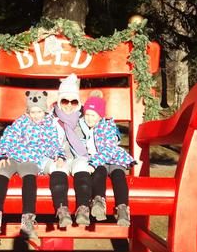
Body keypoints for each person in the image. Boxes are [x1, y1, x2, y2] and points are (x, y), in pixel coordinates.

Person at [0, 90, 66, 245]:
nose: (36, 115)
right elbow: (8, 137)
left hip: (31, 160)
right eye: (33, 112)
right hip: (13, 156)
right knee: (2, 172)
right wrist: (4, 155)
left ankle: (27, 221)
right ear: (28, 111)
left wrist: (60, 155)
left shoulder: (49, 126)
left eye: (39, 111)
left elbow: (54, 144)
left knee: (29, 180)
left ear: (44, 111)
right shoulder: (21, 122)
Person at [80, 90, 135, 227]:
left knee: (118, 176)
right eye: (87, 114)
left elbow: (108, 149)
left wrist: (93, 163)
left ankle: (122, 208)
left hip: (114, 158)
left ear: (100, 116)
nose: (89, 118)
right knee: (99, 174)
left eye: (93, 115)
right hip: (100, 161)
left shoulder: (107, 126)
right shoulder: (87, 127)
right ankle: (98, 201)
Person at [46, 73, 94, 227]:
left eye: (73, 102)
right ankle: (62, 209)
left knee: (82, 166)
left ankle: (83, 208)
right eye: (65, 101)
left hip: (78, 156)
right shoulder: (51, 118)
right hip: (59, 157)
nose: (68, 105)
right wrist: (56, 155)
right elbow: (46, 139)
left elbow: (96, 135)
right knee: (57, 169)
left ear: (78, 103)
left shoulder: (83, 119)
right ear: (59, 102)